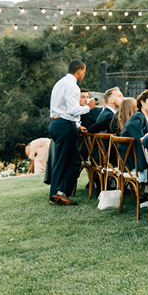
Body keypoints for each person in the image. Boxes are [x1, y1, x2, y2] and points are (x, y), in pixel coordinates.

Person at [48, 60, 94, 206]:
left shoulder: (59, 83)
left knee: (71, 161)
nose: (83, 76)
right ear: (79, 71)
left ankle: (59, 193)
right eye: (84, 72)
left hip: (57, 123)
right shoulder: (73, 86)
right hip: (64, 125)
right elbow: (72, 110)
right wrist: (88, 107)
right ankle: (57, 194)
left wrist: (76, 125)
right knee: (66, 161)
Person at [120, 89, 148, 177]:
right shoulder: (137, 117)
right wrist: (143, 167)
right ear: (142, 102)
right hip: (138, 161)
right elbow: (139, 142)